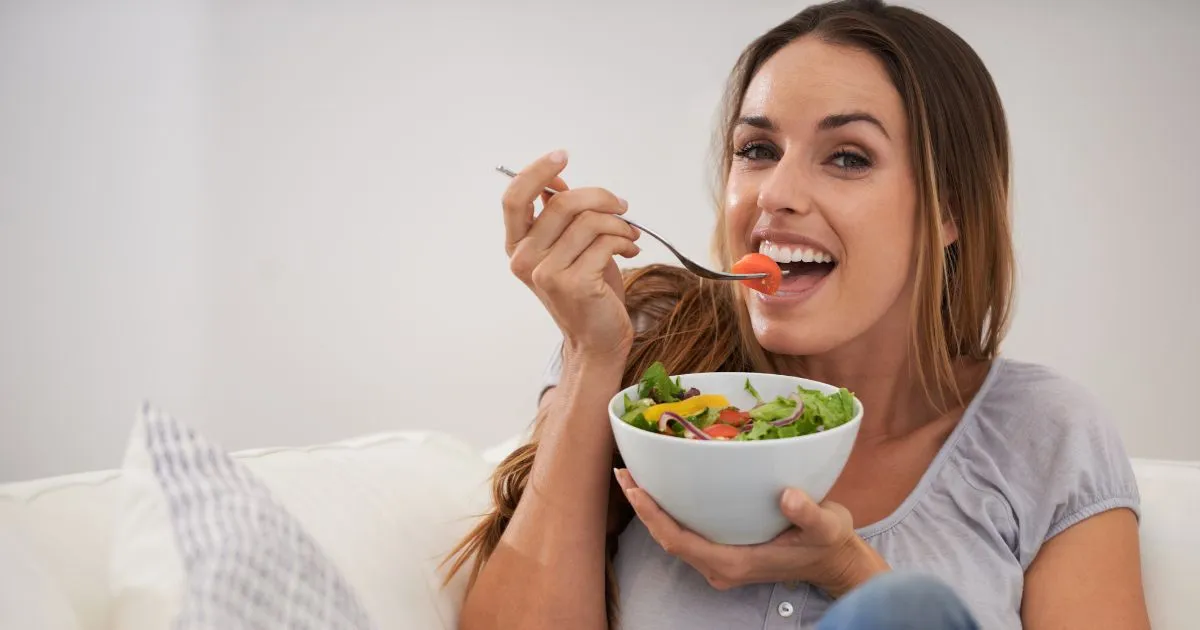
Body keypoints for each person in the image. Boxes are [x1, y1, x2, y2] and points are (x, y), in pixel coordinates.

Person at [447, 0, 1151, 628]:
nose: (775, 194)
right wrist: (593, 355)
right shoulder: (645, 349)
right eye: (757, 150)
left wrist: (847, 571)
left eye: (847, 157)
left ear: (950, 211)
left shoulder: (1045, 435)